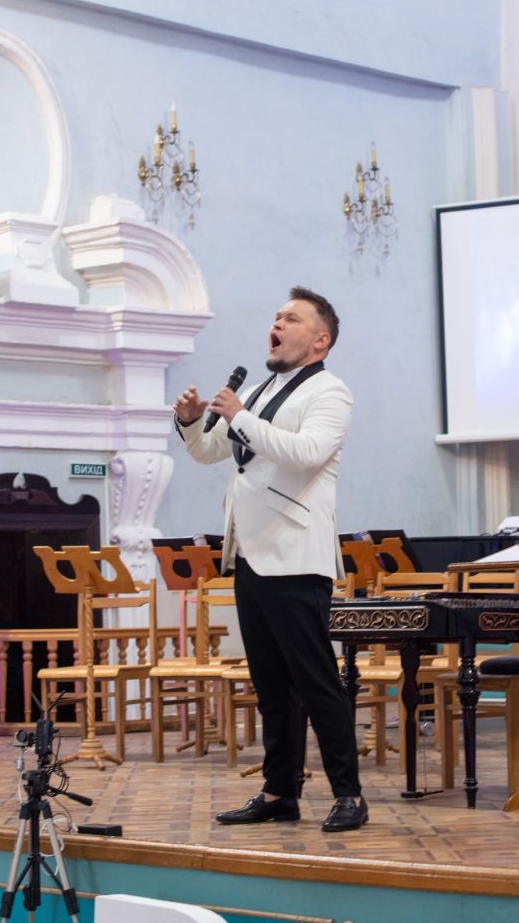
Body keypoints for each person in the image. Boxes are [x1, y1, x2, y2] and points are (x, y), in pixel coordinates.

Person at [173, 286, 367, 832]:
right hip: (249, 554)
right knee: (271, 686)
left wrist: (238, 415)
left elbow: (305, 453)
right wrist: (191, 421)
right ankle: (280, 790)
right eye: (276, 316)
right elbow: (211, 450)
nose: (276, 324)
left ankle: (349, 794)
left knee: (316, 682)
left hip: (296, 556)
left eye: (290, 318)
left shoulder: (331, 392)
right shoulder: (259, 392)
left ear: (320, 340)